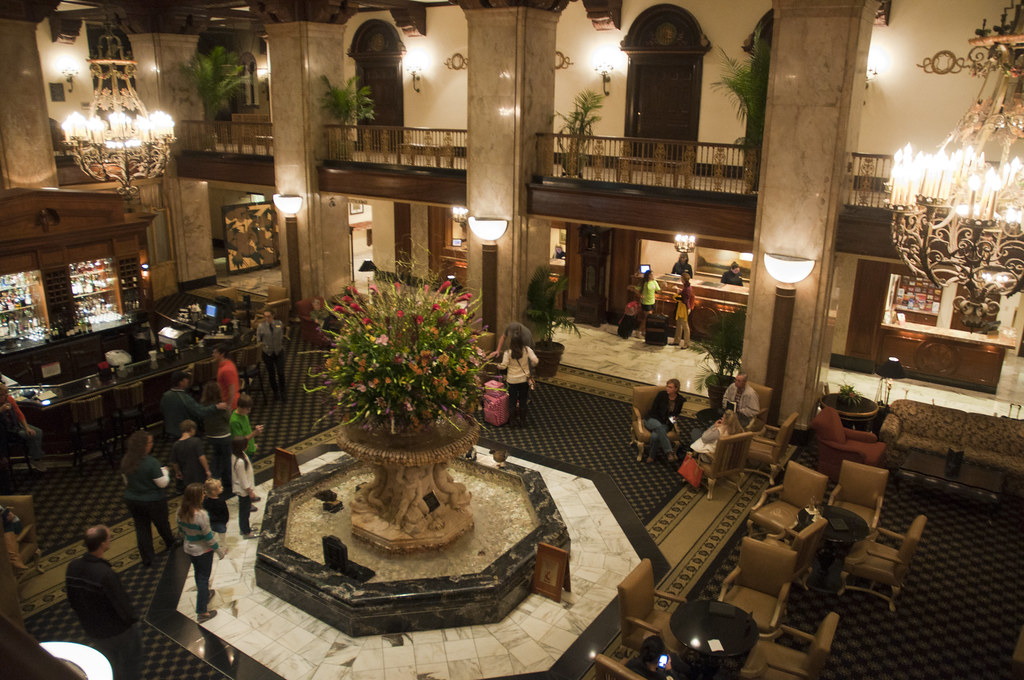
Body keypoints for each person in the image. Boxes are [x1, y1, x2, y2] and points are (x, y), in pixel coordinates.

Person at [65, 525, 143, 680]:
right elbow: (121, 603)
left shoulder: (72, 566)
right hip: (118, 631)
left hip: (93, 630)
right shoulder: (105, 574)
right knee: (130, 662)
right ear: (102, 544)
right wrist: (132, 621)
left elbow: (72, 599)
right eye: (109, 538)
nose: (110, 540)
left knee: (109, 662)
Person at [121, 430, 176, 567]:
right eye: (150, 442)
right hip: (153, 501)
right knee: (162, 523)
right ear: (143, 445)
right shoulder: (151, 463)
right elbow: (162, 483)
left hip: (132, 500)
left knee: (142, 528)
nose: (152, 444)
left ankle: (148, 558)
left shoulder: (126, 460)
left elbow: (126, 482)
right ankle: (170, 543)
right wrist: (166, 472)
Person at [177, 483, 225, 623]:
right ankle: (202, 611)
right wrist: (219, 551)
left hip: (189, 548)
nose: (204, 495)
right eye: (202, 494)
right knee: (203, 578)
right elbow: (208, 537)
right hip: (203, 550)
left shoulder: (180, 511)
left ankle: (205, 594)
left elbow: (180, 531)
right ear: (197, 497)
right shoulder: (201, 515)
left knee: (199, 574)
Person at [160, 371, 225, 439]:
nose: (188, 381)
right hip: (185, 432)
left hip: (171, 431)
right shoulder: (185, 398)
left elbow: (163, 411)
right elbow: (200, 412)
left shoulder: (165, 396)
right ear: (181, 382)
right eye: (186, 379)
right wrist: (216, 407)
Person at [0, 382, 47, 470]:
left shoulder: (9, 399)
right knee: (30, 435)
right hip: (7, 431)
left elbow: (19, 414)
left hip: (17, 424)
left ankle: (36, 458)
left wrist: (27, 427)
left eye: (5, 394)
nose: (4, 397)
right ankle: (36, 458)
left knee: (38, 432)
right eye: (1, 395)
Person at [497, 330, 539, 427]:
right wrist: (530, 366)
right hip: (524, 380)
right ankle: (523, 421)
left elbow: (503, 366)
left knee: (512, 400)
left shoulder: (508, 352)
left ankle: (512, 421)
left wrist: (499, 366)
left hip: (512, 381)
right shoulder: (527, 350)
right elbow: (535, 361)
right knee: (523, 400)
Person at [643, 379, 685, 464]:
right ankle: (669, 451)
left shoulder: (680, 400)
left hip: (665, 423)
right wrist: (662, 420)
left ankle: (651, 456)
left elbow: (675, 415)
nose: (667, 389)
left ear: (676, 389)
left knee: (655, 436)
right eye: (667, 386)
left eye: (670, 387)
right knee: (659, 426)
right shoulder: (661, 395)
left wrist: (672, 425)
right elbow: (654, 410)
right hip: (651, 419)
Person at [200, 381, 233, 489]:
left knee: (217, 456)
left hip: (211, 436)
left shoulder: (204, 406)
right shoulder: (221, 406)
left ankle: (212, 478)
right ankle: (227, 480)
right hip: (224, 436)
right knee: (227, 458)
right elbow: (229, 419)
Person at [624, 635, 690, 680]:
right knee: (673, 657)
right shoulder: (662, 677)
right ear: (659, 658)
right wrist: (669, 670)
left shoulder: (631, 663)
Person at [231, 436, 259, 539]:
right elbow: (242, 479)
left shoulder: (238, 455)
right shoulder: (239, 462)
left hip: (244, 489)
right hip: (243, 491)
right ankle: (246, 531)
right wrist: (250, 491)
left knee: (245, 510)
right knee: (244, 511)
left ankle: (245, 528)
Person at [256, 309, 287, 402]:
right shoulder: (261, 327)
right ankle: (275, 392)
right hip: (267, 353)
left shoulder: (278, 324)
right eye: (265, 316)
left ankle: (283, 392)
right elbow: (259, 339)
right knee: (271, 374)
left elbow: (282, 333)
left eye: (268, 316)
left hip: (278, 352)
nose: (267, 318)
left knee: (281, 373)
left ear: (273, 316)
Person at [171, 419, 210, 489]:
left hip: (186, 474)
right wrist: (207, 470)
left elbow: (174, 462)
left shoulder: (175, 445)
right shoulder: (196, 441)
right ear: (192, 429)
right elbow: (201, 457)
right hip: (198, 473)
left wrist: (178, 472)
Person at [202, 478, 229, 548]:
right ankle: (224, 546)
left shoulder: (206, 500)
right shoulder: (221, 501)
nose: (222, 488)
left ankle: (210, 544)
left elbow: (205, 510)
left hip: (210, 520)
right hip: (220, 521)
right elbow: (225, 512)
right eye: (220, 487)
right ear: (214, 491)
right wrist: (226, 520)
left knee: (211, 533)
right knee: (222, 535)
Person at [213, 344, 240, 410]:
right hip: (228, 401)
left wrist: (229, 406)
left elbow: (232, 389)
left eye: (215, 353)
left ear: (222, 354)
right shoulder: (228, 363)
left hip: (231, 404)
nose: (213, 355)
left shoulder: (226, 370)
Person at [635, 269, 660, 339]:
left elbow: (659, 291)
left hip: (652, 302)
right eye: (652, 275)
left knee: (648, 318)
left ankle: (643, 331)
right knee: (646, 318)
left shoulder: (654, 282)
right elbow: (636, 289)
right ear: (648, 276)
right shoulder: (644, 283)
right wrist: (640, 295)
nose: (653, 276)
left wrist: (664, 286)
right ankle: (639, 331)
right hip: (645, 302)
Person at [2, 502, 26, 572]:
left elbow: (10, 516)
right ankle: (14, 559)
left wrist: (6, 513)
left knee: (6, 525)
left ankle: (14, 558)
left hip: (13, 525)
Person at [672, 274, 694, 349]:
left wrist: (676, 295)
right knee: (678, 324)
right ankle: (677, 341)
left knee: (685, 325)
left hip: (684, 308)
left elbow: (682, 299)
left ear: (683, 279)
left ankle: (686, 343)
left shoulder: (687, 288)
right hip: (682, 308)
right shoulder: (687, 287)